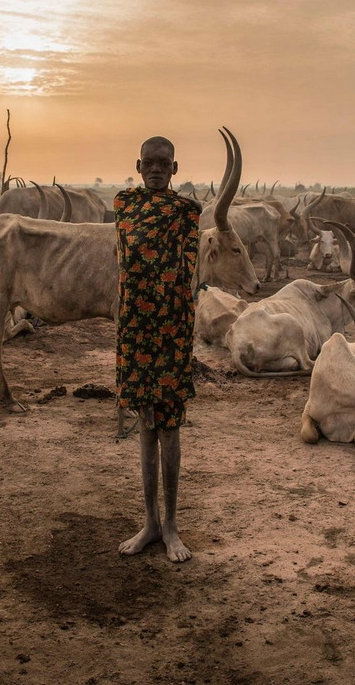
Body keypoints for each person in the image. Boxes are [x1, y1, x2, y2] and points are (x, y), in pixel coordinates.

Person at [114, 136, 203, 563]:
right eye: (149, 163)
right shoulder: (123, 205)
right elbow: (123, 264)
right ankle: (149, 522)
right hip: (134, 330)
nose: (155, 169)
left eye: (163, 164)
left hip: (171, 329)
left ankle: (171, 527)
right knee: (146, 427)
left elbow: (189, 273)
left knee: (170, 429)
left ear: (174, 167)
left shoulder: (187, 211)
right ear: (138, 164)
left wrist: (185, 331)